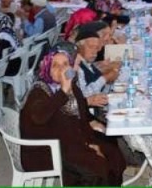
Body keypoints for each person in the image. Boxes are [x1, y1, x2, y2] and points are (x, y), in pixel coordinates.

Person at [19, 49, 125, 186]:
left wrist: (89, 143)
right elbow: (39, 117)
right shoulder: (38, 91)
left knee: (112, 153)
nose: (61, 69)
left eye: (65, 64)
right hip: (45, 150)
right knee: (95, 166)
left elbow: (81, 119)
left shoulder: (73, 88)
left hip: (69, 142)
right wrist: (63, 90)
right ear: (46, 69)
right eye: (55, 65)